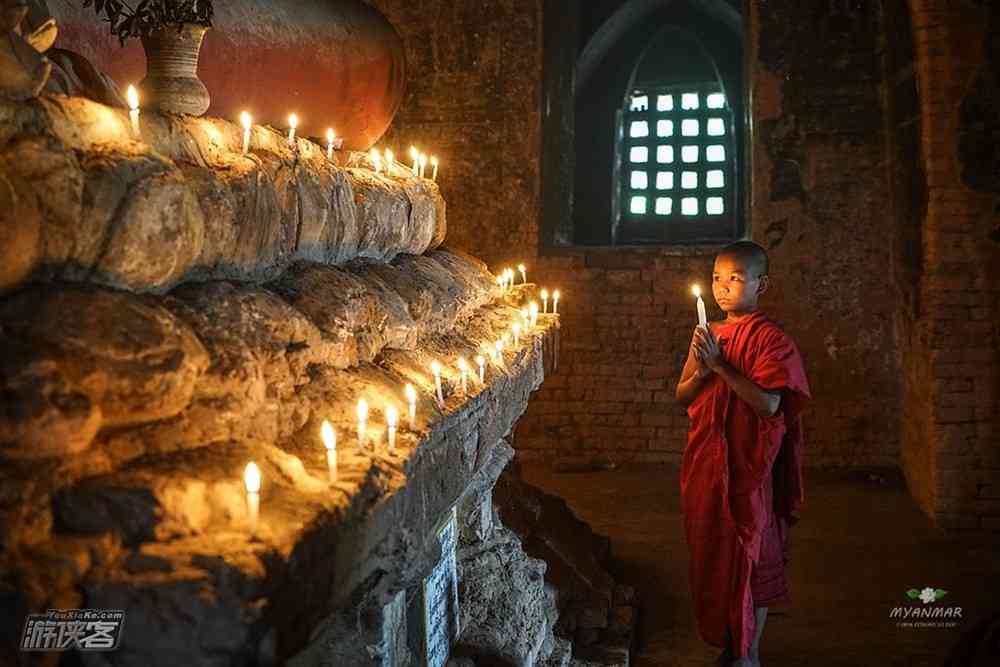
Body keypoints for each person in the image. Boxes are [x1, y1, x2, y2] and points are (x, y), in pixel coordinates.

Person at [674, 241, 812, 666]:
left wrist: (721, 367)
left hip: (748, 469)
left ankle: (748, 652)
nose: (723, 287)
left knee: (750, 557)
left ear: (761, 284)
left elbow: (770, 405)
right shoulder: (708, 334)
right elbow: (682, 395)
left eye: (736, 278)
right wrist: (703, 368)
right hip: (706, 465)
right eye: (717, 277)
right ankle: (731, 642)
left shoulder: (773, 341)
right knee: (714, 556)